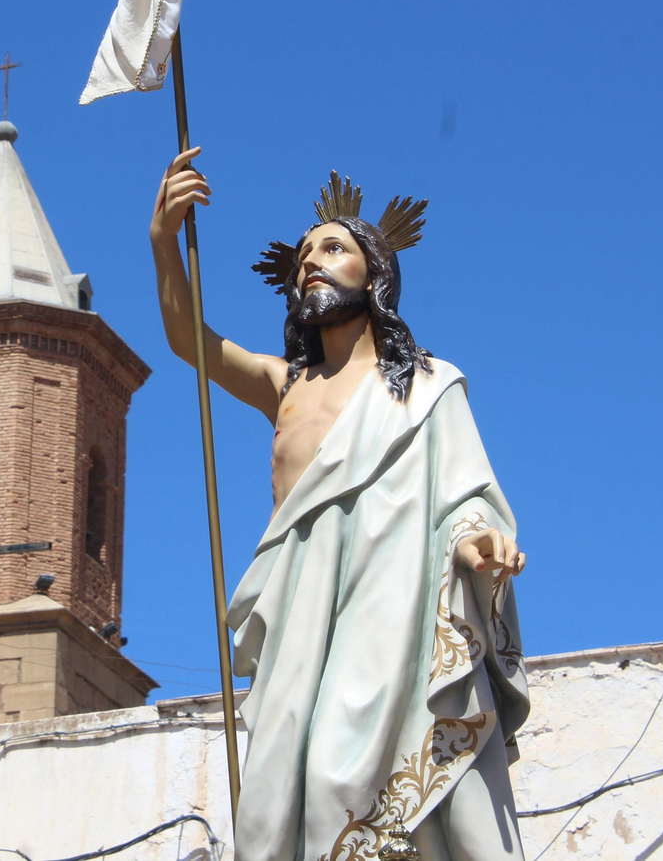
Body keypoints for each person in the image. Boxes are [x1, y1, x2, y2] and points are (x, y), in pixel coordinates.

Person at [150, 149, 531, 861]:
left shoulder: (424, 387)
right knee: (270, 795)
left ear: (376, 272)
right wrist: (163, 242)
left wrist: (477, 541)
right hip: (299, 609)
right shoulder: (285, 384)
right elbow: (187, 340)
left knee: (336, 776)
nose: (310, 264)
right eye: (301, 258)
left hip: (389, 604)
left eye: (332, 248)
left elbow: (465, 490)